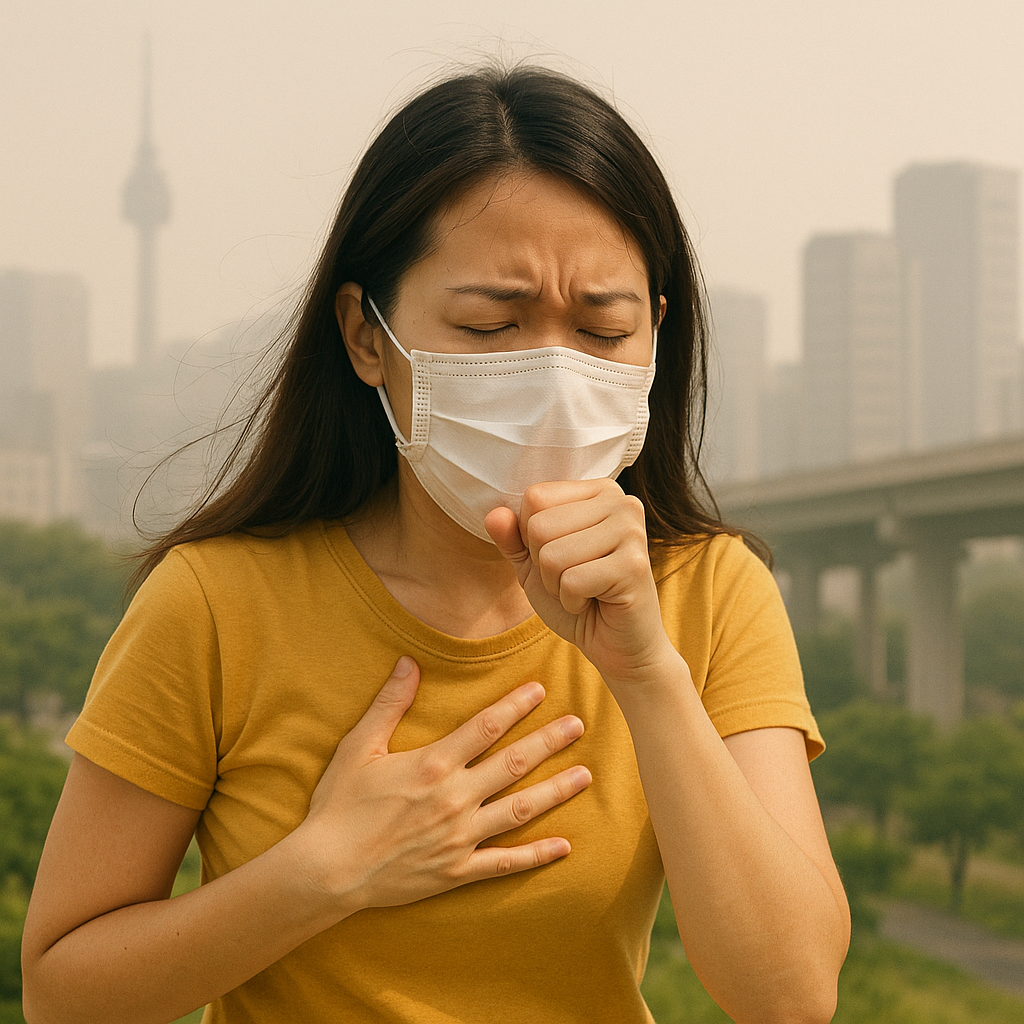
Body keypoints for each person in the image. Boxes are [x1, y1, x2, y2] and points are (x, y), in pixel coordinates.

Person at [22, 65, 850, 1024]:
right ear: (367, 336)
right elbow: (62, 993)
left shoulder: (707, 592)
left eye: (602, 328)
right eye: (489, 325)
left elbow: (790, 998)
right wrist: (321, 874)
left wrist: (649, 674)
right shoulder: (217, 602)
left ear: (657, 336)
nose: (552, 373)